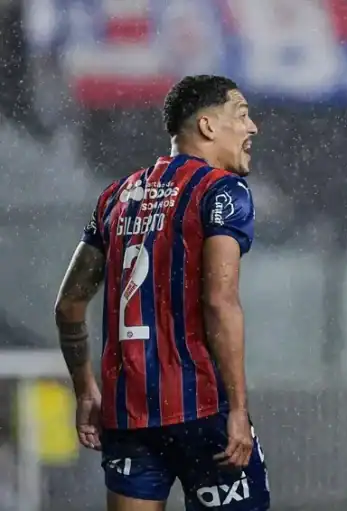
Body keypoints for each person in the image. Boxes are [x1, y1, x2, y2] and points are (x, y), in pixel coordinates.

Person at [53, 75, 269, 511]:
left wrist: (85, 390)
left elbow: (68, 305)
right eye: (242, 115)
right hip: (199, 408)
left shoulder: (116, 197)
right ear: (208, 126)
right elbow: (219, 301)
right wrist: (238, 410)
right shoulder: (222, 191)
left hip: (128, 414)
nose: (253, 128)